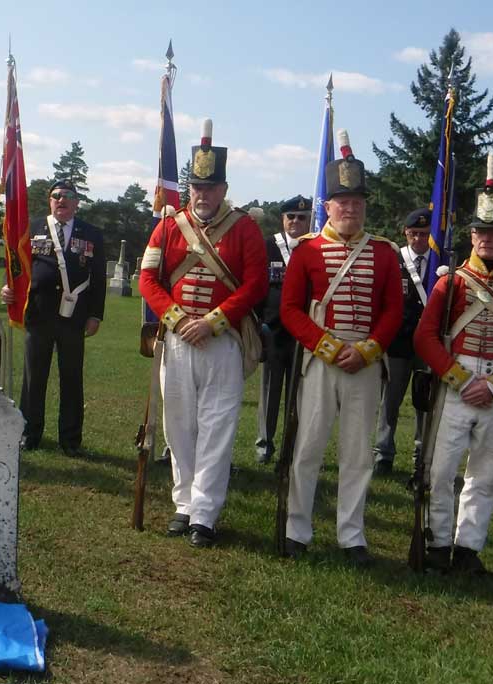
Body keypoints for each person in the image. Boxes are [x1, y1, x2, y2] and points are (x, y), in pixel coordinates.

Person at [139, 120, 268, 547]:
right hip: (177, 339)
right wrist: (177, 318)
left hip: (221, 341)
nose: (203, 194)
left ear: (224, 188)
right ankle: (183, 503)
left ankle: (206, 514)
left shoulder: (246, 228)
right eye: (197, 186)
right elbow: (148, 279)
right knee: (178, 424)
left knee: (217, 426)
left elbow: (254, 285)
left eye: (210, 187)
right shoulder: (168, 225)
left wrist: (213, 321)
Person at [279, 133, 403, 566]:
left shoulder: (385, 253)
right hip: (321, 359)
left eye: (357, 202)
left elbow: (393, 310)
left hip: (365, 363)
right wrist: (327, 346)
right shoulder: (308, 250)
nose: (350, 208)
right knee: (308, 447)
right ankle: (297, 528)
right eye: (342, 201)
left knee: (357, 452)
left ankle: (352, 535)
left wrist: (369, 349)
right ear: (327, 206)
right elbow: (291, 309)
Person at [414, 167, 493, 574]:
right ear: (471, 236)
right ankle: (436, 543)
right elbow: (426, 337)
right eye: (480, 232)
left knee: (484, 475)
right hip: (458, 381)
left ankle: (468, 547)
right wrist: (462, 379)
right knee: (441, 469)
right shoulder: (450, 283)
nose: (487, 239)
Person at [1, 179, 105, 458]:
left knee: (72, 379)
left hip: (74, 318)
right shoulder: (31, 228)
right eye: (56, 196)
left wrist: (96, 314)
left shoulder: (92, 233)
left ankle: (70, 440)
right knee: (34, 378)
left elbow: (98, 279)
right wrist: (7, 286)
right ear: (49, 201)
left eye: (68, 196)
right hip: (38, 313)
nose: (62, 200)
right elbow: (16, 264)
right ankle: (29, 434)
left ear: (77, 203)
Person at [373, 208, 433, 476]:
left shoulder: (441, 263)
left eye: (424, 234)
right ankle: (383, 454)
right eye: (414, 233)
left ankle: (421, 455)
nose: (419, 239)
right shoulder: (394, 259)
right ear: (405, 233)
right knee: (390, 401)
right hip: (397, 343)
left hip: (428, 346)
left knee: (425, 402)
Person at [255, 194, 312, 465]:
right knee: (270, 391)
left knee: (297, 395)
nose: (296, 222)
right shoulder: (268, 246)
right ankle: (264, 444)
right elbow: (258, 287)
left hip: (303, 334)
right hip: (273, 331)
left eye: (302, 218)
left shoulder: (314, 249)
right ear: (283, 219)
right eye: (291, 217)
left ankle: (291, 446)